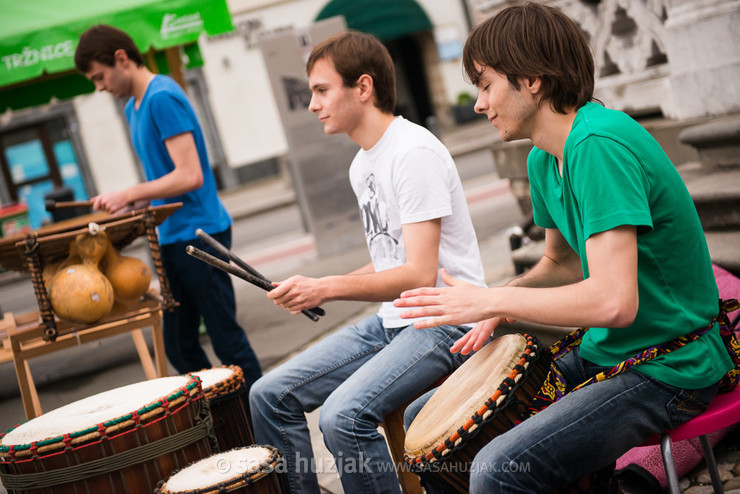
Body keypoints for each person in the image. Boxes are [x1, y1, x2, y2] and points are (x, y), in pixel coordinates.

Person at [394, 3, 734, 493]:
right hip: (615, 351)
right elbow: (562, 263)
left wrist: (495, 300)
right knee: (423, 422)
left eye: (485, 84)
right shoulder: (542, 158)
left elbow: (615, 302)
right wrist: (500, 304)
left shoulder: (598, 145)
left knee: (495, 469)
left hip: (673, 366)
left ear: (531, 79)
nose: (478, 104)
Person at [248, 31, 486, 493]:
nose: (312, 104)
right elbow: (389, 261)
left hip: (443, 320)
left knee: (343, 417)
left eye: (321, 90)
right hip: (393, 321)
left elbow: (419, 274)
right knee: (268, 395)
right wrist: (314, 284)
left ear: (362, 87)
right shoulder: (363, 164)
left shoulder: (412, 152)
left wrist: (327, 289)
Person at [74, 25, 262, 390]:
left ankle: (265, 420)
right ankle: (225, 419)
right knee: (179, 346)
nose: (99, 87)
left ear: (121, 59)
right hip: (171, 235)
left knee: (226, 340)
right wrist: (137, 199)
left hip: (199, 232)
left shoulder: (162, 96)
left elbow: (190, 174)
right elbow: (167, 177)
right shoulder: (133, 107)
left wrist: (130, 192)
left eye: (100, 76)